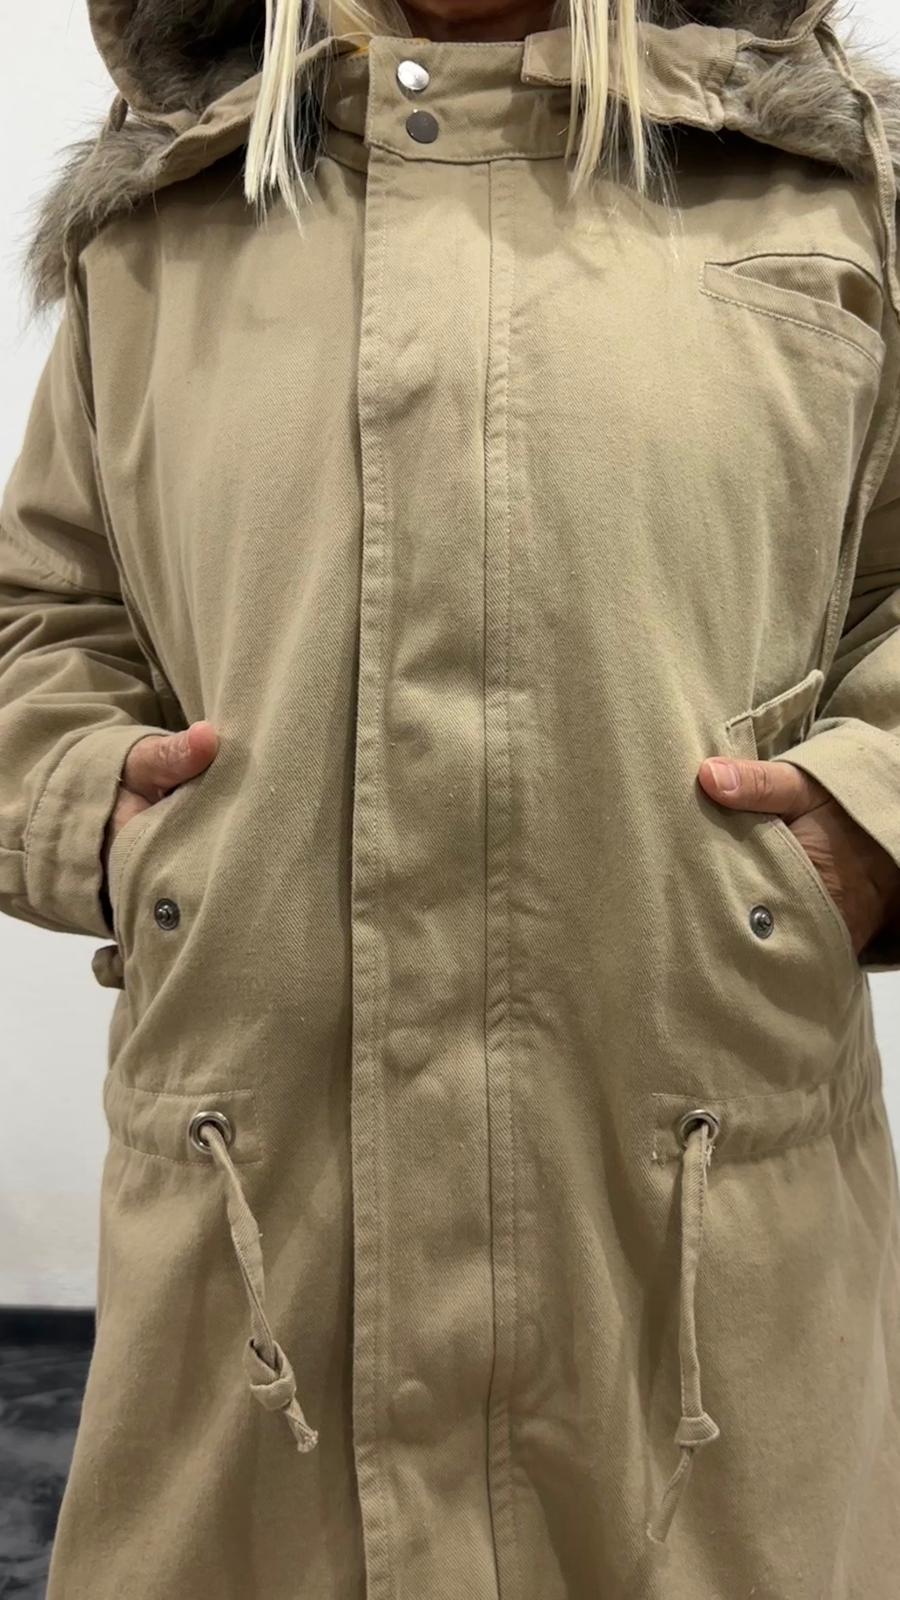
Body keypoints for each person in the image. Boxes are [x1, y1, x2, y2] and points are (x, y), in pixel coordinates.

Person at [2, 0, 900, 1592]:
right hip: (258, 1221)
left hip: (697, 1228)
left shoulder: (819, 192)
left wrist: (868, 816)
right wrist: (105, 816)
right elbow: (43, 617)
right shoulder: (171, 213)